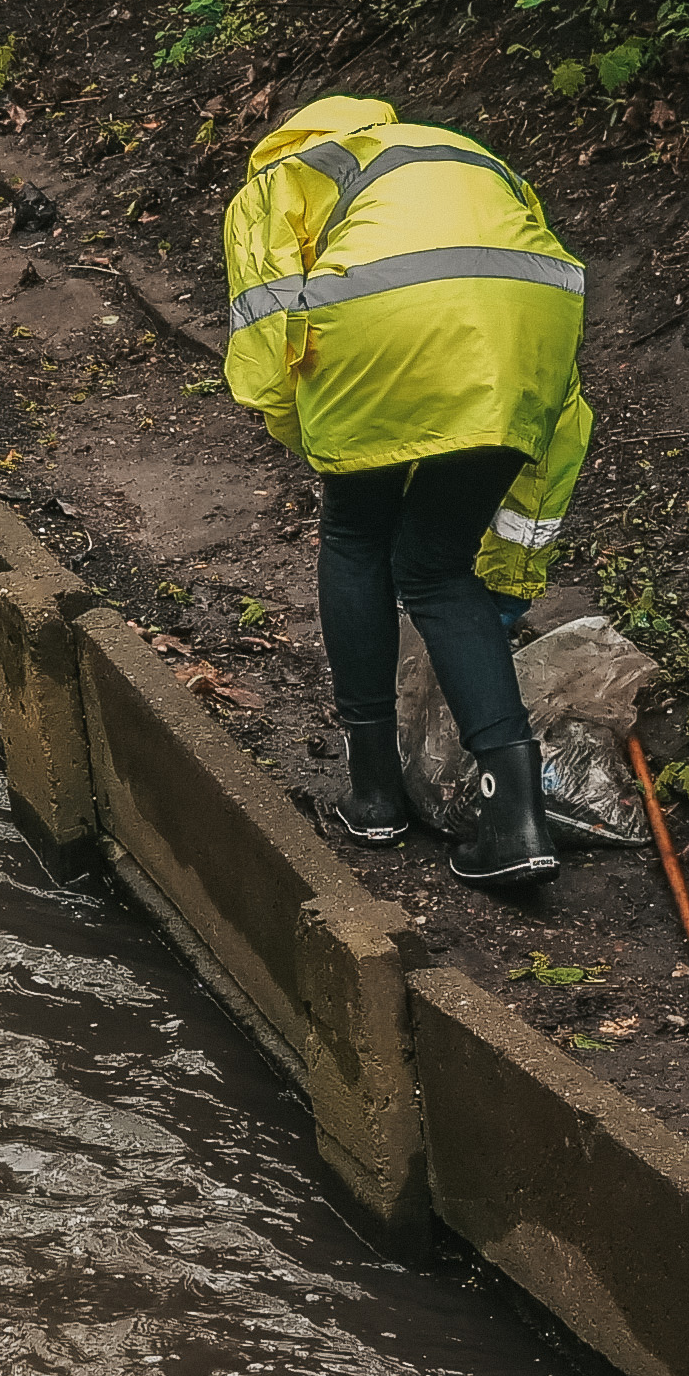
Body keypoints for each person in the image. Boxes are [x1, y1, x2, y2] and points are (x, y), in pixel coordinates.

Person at [219, 94, 594, 885]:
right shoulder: (458, 149)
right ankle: (516, 823)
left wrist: (319, 437)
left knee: (356, 534)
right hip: (535, 322)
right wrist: (513, 578)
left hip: (378, 320)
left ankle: (376, 795)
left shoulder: (280, 174)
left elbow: (262, 337)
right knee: (434, 566)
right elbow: (562, 422)